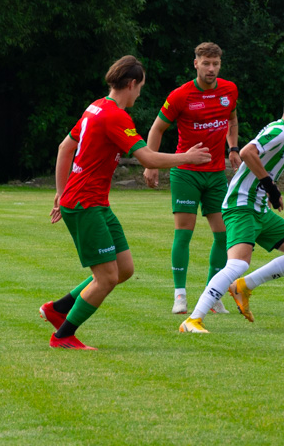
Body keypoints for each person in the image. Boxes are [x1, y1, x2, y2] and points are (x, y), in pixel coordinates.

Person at [40, 56, 211, 349]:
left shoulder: (95, 106)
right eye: (140, 86)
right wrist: (186, 157)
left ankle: (58, 308)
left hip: (93, 202)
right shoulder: (115, 116)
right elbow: (146, 158)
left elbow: (65, 147)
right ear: (131, 84)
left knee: (124, 268)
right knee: (106, 278)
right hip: (85, 205)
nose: (140, 93)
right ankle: (63, 335)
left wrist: (60, 190)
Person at [179, 87, 284, 333]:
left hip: (259, 208)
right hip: (241, 205)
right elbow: (246, 152)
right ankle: (193, 319)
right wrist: (269, 185)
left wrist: (270, 190)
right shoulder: (279, 131)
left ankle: (244, 286)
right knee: (237, 264)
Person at [143, 42, 240, 315]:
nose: (211, 69)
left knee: (223, 235)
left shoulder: (229, 90)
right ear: (195, 63)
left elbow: (231, 119)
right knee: (183, 234)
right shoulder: (180, 95)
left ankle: (213, 294)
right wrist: (152, 164)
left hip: (216, 174)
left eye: (215, 64)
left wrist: (233, 148)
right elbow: (157, 128)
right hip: (186, 174)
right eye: (206, 63)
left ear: (220, 64)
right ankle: (180, 295)